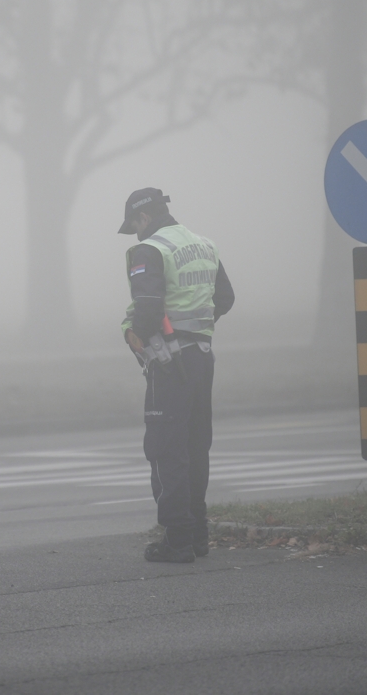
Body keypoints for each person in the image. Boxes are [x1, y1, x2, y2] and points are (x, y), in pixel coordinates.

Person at [119, 188, 235, 563]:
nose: (135, 233)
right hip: (202, 357)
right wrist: (196, 326)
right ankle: (198, 533)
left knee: (166, 449)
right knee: (195, 446)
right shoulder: (204, 244)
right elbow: (226, 298)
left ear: (143, 217)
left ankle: (178, 539)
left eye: (134, 225)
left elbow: (149, 307)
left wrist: (134, 331)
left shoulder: (150, 249)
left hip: (169, 362)